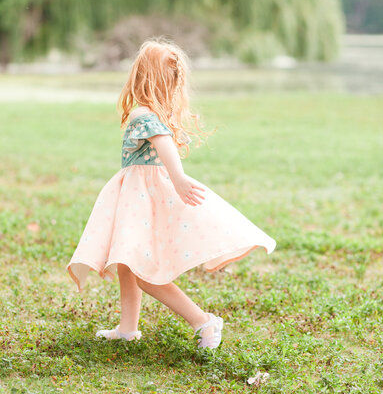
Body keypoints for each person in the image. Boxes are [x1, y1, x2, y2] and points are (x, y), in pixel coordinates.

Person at [67, 38, 276, 349]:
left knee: (144, 270)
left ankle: (202, 321)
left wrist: (178, 178)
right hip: (137, 197)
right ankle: (127, 327)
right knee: (127, 262)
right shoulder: (153, 113)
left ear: (140, 76)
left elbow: (163, 142)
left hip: (141, 197)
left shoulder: (143, 115)